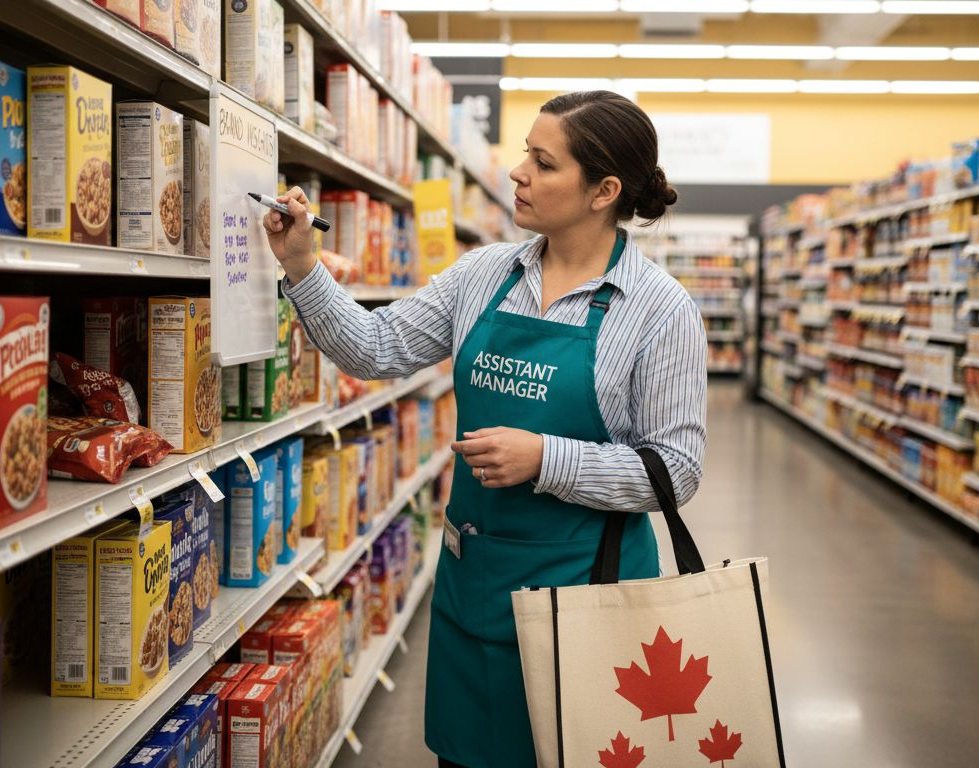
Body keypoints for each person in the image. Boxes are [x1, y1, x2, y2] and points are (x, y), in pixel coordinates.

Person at [266, 90, 707, 768]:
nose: (517, 173)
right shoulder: (485, 274)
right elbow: (374, 349)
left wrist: (546, 457)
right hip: (474, 587)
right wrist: (301, 265)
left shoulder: (659, 309)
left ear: (604, 190)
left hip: (587, 593)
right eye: (524, 156)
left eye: (543, 162)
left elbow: (676, 470)